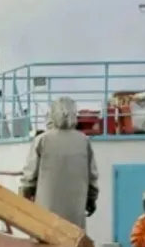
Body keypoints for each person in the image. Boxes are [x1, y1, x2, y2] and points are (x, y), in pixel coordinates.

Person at [19, 96, 96, 232]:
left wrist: (26, 194)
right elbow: (92, 177)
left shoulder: (42, 140)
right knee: (73, 246)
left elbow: (29, 176)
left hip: (45, 215)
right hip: (75, 215)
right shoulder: (84, 141)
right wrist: (91, 200)